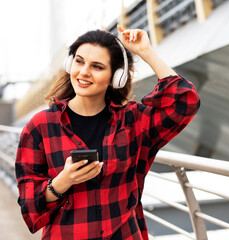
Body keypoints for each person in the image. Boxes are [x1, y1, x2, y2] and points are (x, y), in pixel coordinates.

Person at [15, 26, 200, 239]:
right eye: (79, 61)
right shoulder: (40, 126)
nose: (84, 72)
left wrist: (146, 52)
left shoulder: (133, 121)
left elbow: (185, 101)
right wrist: (63, 181)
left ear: (116, 76)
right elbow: (29, 207)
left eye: (97, 66)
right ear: (70, 63)